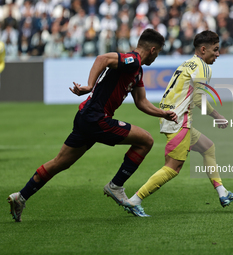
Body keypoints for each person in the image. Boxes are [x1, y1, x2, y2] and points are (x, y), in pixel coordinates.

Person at [7, 28, 177, 222]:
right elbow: (102, 59)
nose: (157, 57)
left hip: (86, 117)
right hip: (97, 118)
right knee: (145, 141)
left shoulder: (137, 71)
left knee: (60, 162)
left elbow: (141, 102)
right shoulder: (133, 60)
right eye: (159, 52)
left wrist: (163, 113)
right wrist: (89, 85)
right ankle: (115, 186)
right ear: (153, 50)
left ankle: (20, 197)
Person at [124, 30, 233, 217]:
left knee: (208, 148)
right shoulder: (202, 67)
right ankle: (134, 200)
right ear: (203, 49)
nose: (218, 54)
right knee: (173, 167)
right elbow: (199, 100)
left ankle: (222, 192)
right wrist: (218, 115)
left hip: (173, 116)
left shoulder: (188, 63)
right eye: (215, 50)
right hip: (179, 120)